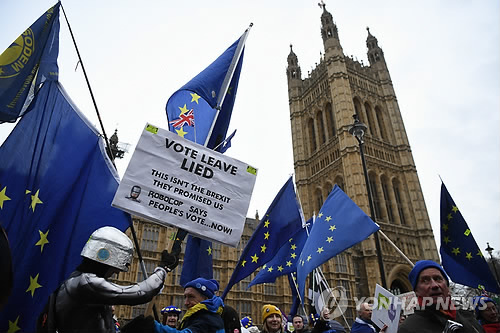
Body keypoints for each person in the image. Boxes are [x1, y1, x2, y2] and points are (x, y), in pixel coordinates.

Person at [39, 226, 174, 333]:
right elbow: (142, 293)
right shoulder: (87, 283)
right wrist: (163, 268)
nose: (116, 272)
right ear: (105, 260)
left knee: (144, 324)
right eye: (116, 267)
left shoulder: (75, 279)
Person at [398, 260, 484, 333]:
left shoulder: (470, 320)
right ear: (416, 291)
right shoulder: (408, 329)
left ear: (447, 286)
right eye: (425, 281)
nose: (434, 285)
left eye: (438, 278)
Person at [154, 277, 225, 333]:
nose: (186, 302)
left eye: (191, 297)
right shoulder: (198, 316)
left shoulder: (208, 319)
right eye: (185, 297)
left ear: (205, 298)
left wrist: (154, 326)